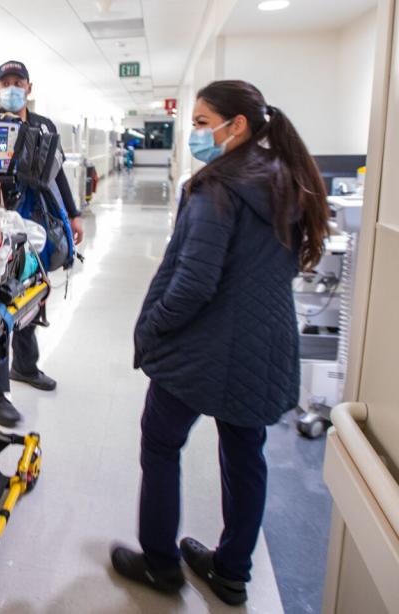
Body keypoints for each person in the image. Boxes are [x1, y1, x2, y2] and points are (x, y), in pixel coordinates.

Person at [110, 80, 330, 605]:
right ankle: (232, 571)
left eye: (204, 123)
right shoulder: (284, 178)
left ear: (239, 127)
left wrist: (153, 325)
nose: (195, 133)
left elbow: (194, 282)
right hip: (264, 345)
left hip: (203, 349)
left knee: (160, 443)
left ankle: (160, 562)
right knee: (245, 455)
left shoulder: (219, 188)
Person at [0, 60, 84, 427]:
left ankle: (26, 366)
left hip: (38, 221)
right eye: (4, 82)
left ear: (29, 87)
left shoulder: (44, 126)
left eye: (17, 81)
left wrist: (74, 214)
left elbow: (57, 176)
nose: (11, 87)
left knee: (32, 295)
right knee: (0, 303)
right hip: (3, 224)